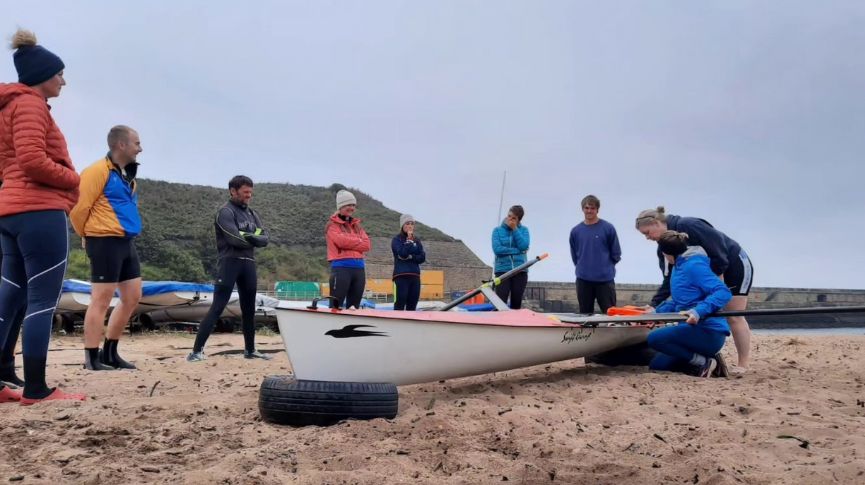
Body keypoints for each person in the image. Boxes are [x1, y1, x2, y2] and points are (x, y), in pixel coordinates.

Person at [0, 29, 85, 404]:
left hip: (10, 211)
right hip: (39, 212)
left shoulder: (7, 107)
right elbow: (34, 161)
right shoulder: (31, 104)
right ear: (42, 75)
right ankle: (37, 388)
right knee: (41, 301)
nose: (63, 80)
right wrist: (72, 179)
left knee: (9, 298)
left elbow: (11, 163)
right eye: (59, 74)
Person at [636, 206, 754, 370]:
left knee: (734, 316)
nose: (647, 238)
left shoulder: (689, 225)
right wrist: (655, 307)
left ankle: (743, 364)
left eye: (647, 233)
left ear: (656, 223)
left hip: (733, 263)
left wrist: (713, 288)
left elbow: (719, 254)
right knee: (660, 363)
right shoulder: (666, 247)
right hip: (705, 269)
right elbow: (669, 280)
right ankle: (703, 352)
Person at [70, 126, 143, 371]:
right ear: (121, 145)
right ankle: (91, 358)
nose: (140, 148)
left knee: (132, 297)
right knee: (101, 299)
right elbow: (79, 209)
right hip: (103, 240)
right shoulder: (96, 171)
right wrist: (86, 234)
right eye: (136, 143)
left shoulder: (126, 174)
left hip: (125, 240)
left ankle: (110, 352)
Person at [187, 175, 270, 362]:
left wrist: (248, 236)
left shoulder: (253, 214)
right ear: (233, 191)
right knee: (218, 307)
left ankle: (250, 350)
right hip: (229, 263)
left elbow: (264, 238)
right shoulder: (225, 212)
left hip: (248, 263)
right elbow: (234, 239)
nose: (249, 196)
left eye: (250, 192)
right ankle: (196, 352)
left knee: (249, 309)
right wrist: (251, 238)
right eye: (245, 192)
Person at [646, 231, 732, 377]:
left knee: (654, 338)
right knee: (658, 365)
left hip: (709, 331)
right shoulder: (678, 267)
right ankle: (709, 360)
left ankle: (703, 361)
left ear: (666, 253)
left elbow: (722, 292)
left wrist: (698, 311)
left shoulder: (694, 266)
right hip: (689, 329)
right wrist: (655, 314)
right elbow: (677, 300)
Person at [569, 195, 621, 314]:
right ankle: (587, 333)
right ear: (582, 209)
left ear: (597, 209)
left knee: (611, 314)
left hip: (605, 280)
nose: (589, 211)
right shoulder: (575, 231)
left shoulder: (608, 228)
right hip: (583, 280)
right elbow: (574, 255)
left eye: (592, 208)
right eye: (586, 208)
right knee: (585, 315)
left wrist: (604, 266)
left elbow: (616, 253)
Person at [326, 190, 371, 309]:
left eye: (353, 205)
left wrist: (349, 240)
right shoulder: (332, 225)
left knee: (354, 308)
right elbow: (340, 242)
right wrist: (358, 240)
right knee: (335, 307)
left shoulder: (357, 226)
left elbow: (367, 245)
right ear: (340, 206)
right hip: (341, 269)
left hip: (359, 270)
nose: (351, 208)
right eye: (348, 205)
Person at [491, 205, 530, 309]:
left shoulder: (524, 230)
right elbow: (497, 250)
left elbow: (524, 245)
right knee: (500, 302)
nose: (510, 219)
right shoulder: (497, 231)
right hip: (502, 270)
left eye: (514, 218)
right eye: (509, 216)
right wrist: (518, 251)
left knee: (516, 303)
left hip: (520, 270)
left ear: (518, 220)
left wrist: (515, 229)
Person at [391, 214, 426, 311]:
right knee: (399, 304)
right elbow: (402, 254)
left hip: (415, 276)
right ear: (402, 225)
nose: (410, 226)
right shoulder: (396, 240)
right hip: (401, 276)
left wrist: (411, 256)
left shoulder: (417, 240)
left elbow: (422, 257)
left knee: (412, 306)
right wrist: (409, 242)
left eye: (412, 224)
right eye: (407, 223)